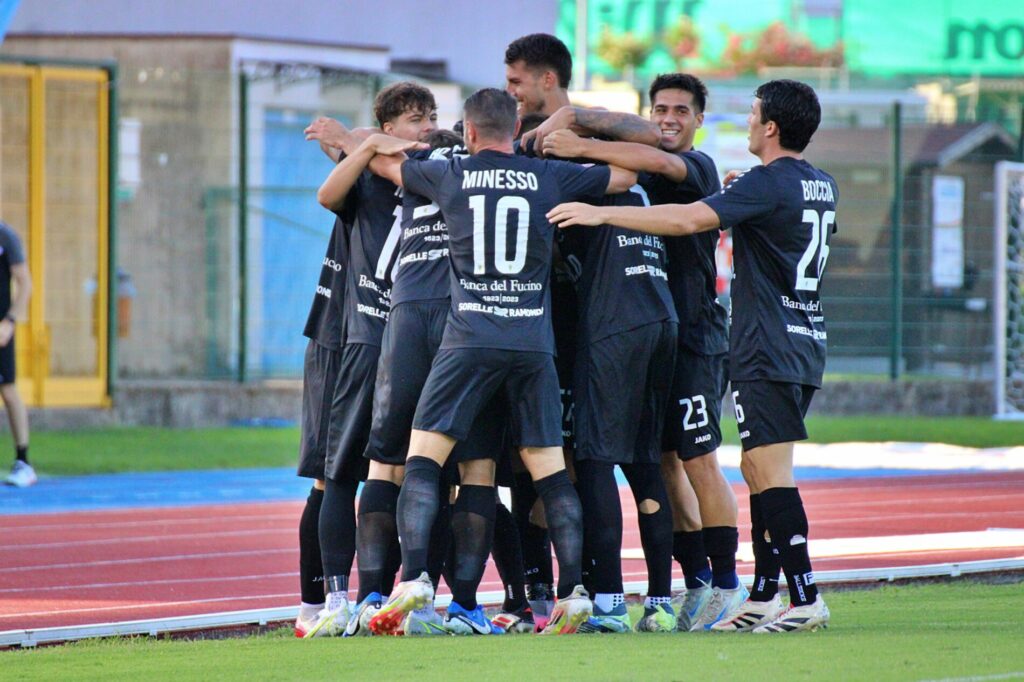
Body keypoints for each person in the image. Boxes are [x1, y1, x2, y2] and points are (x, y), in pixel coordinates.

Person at [547, 79, 836, 633]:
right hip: (799, 337)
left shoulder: (758, 180)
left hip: (760, 342)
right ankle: (762, 595)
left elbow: (685, 219)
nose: (747, 122)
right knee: (751, 467)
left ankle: (801, 596)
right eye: (660, 109)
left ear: (771, 126)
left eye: (752, 114)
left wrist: (601, 213)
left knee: (757, 469)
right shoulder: (819, 182)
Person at [344, 88, 635, 636]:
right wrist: (576, 150)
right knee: (550, 471)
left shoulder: (451, 174)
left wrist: (376, 140)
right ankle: (574, 591)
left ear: (470, 132)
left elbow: (383, 163)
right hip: (533, 344)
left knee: (423, 459)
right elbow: (624, 177)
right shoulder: (546, 175)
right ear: (517, 127)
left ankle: (416, 579)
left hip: (468, 339)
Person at [542, 72, 742, 631]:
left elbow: (658, 160)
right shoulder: (632, 177)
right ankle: (691, 584)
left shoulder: (695, 167)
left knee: (697, 459)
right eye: (660, 110)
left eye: (681, 110)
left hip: (696, 336)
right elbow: (637, 160)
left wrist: (576, 137)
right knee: (661, 463)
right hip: (658, 334)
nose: (669, 120)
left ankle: (727, 584)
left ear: (699, 119)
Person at [503, 32, 661, 623]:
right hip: (540, 324)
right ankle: (536, 592)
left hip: (603, 324)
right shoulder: (515, 143)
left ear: (547, 79)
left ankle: (608, 591)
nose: (509, 91)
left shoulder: (590, 135)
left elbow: (653, 139)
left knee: (599, 460)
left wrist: (573, 126)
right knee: (534, 457)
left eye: (517, 81)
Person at [300, 81, 439, 637]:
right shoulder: (365, 176)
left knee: (417, 474)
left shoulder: (434, 171)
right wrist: (361, 146)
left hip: (422, 342)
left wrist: (362, 140)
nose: (426, 126)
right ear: (389, 127)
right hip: (367, 336)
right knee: (339, 473)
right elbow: (327, 196)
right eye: (414, 119)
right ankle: (333, 600)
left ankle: (403, 597)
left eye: (431, 116)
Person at [290, 199, 349, 637]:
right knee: (329, 477)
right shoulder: (365, 180)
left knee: (398, 474)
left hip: (390, 339)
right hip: (336, 340)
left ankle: (380, 600)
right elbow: (330, 188)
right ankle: (314, 606)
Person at [0, 222, 32, 488]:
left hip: (0, 326)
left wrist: (10, 321)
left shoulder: (6, 237)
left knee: (8, 389)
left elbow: (25, 283)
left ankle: (23, 462)